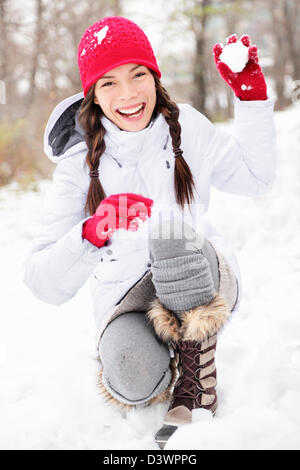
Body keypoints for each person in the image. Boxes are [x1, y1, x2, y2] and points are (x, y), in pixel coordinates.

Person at [24, 16, 276, 448]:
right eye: (109, 83)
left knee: (169, 233)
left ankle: (198, 377)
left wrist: (250, 99)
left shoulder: (188, 127)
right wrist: (92, 232)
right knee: (133, 378)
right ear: (93, 94)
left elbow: (256, 179)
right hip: (127, 298)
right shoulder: (76, 166)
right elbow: (42, 281)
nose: (128, 94)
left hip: (201, 277)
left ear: (155, 77)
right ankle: (160, 359)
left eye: (138, 74)